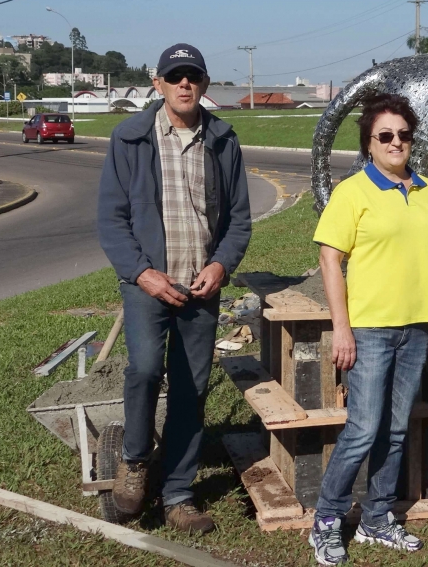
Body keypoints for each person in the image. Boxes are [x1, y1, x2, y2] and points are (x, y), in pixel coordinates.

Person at [97, 43, 251, 534]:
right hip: (147, 283)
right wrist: (143, 273)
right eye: (175, 76)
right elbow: (112, 219)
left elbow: (239, 222)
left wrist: (222, 266)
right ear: (158, 84)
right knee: (144, 370)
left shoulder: (223, 141)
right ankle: (137, 460)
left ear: (204, 85)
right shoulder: (130, 138)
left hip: (200, 289)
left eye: (193, 76)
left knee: (191, 389)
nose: (184, 84)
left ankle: (180, 495)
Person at [308, 93, 428, 566]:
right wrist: (342, 328)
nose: (395, 142)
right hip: (370, 329)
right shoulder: (353, 192)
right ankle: (326, 520)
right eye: (385, 136)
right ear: (369, 143)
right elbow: (330, 258)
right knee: (363, 429)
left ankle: (376, 518)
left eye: (403, 135)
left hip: (416, 329)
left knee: (394, 430)